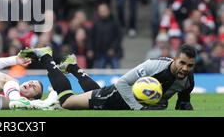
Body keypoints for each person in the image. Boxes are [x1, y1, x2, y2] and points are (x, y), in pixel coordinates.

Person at [20, 45, 196, 110]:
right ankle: (46, 57)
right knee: (67, 102)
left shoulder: (188, 81)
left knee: (95, 91)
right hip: (116, 97)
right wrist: (138, 108)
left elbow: (183, 105)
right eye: (182, 63)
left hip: (128, 103)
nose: (185, 68)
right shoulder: (154, 66)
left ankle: (72, 66)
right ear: (175, 59)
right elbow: (122, 83)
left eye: (189, 65)